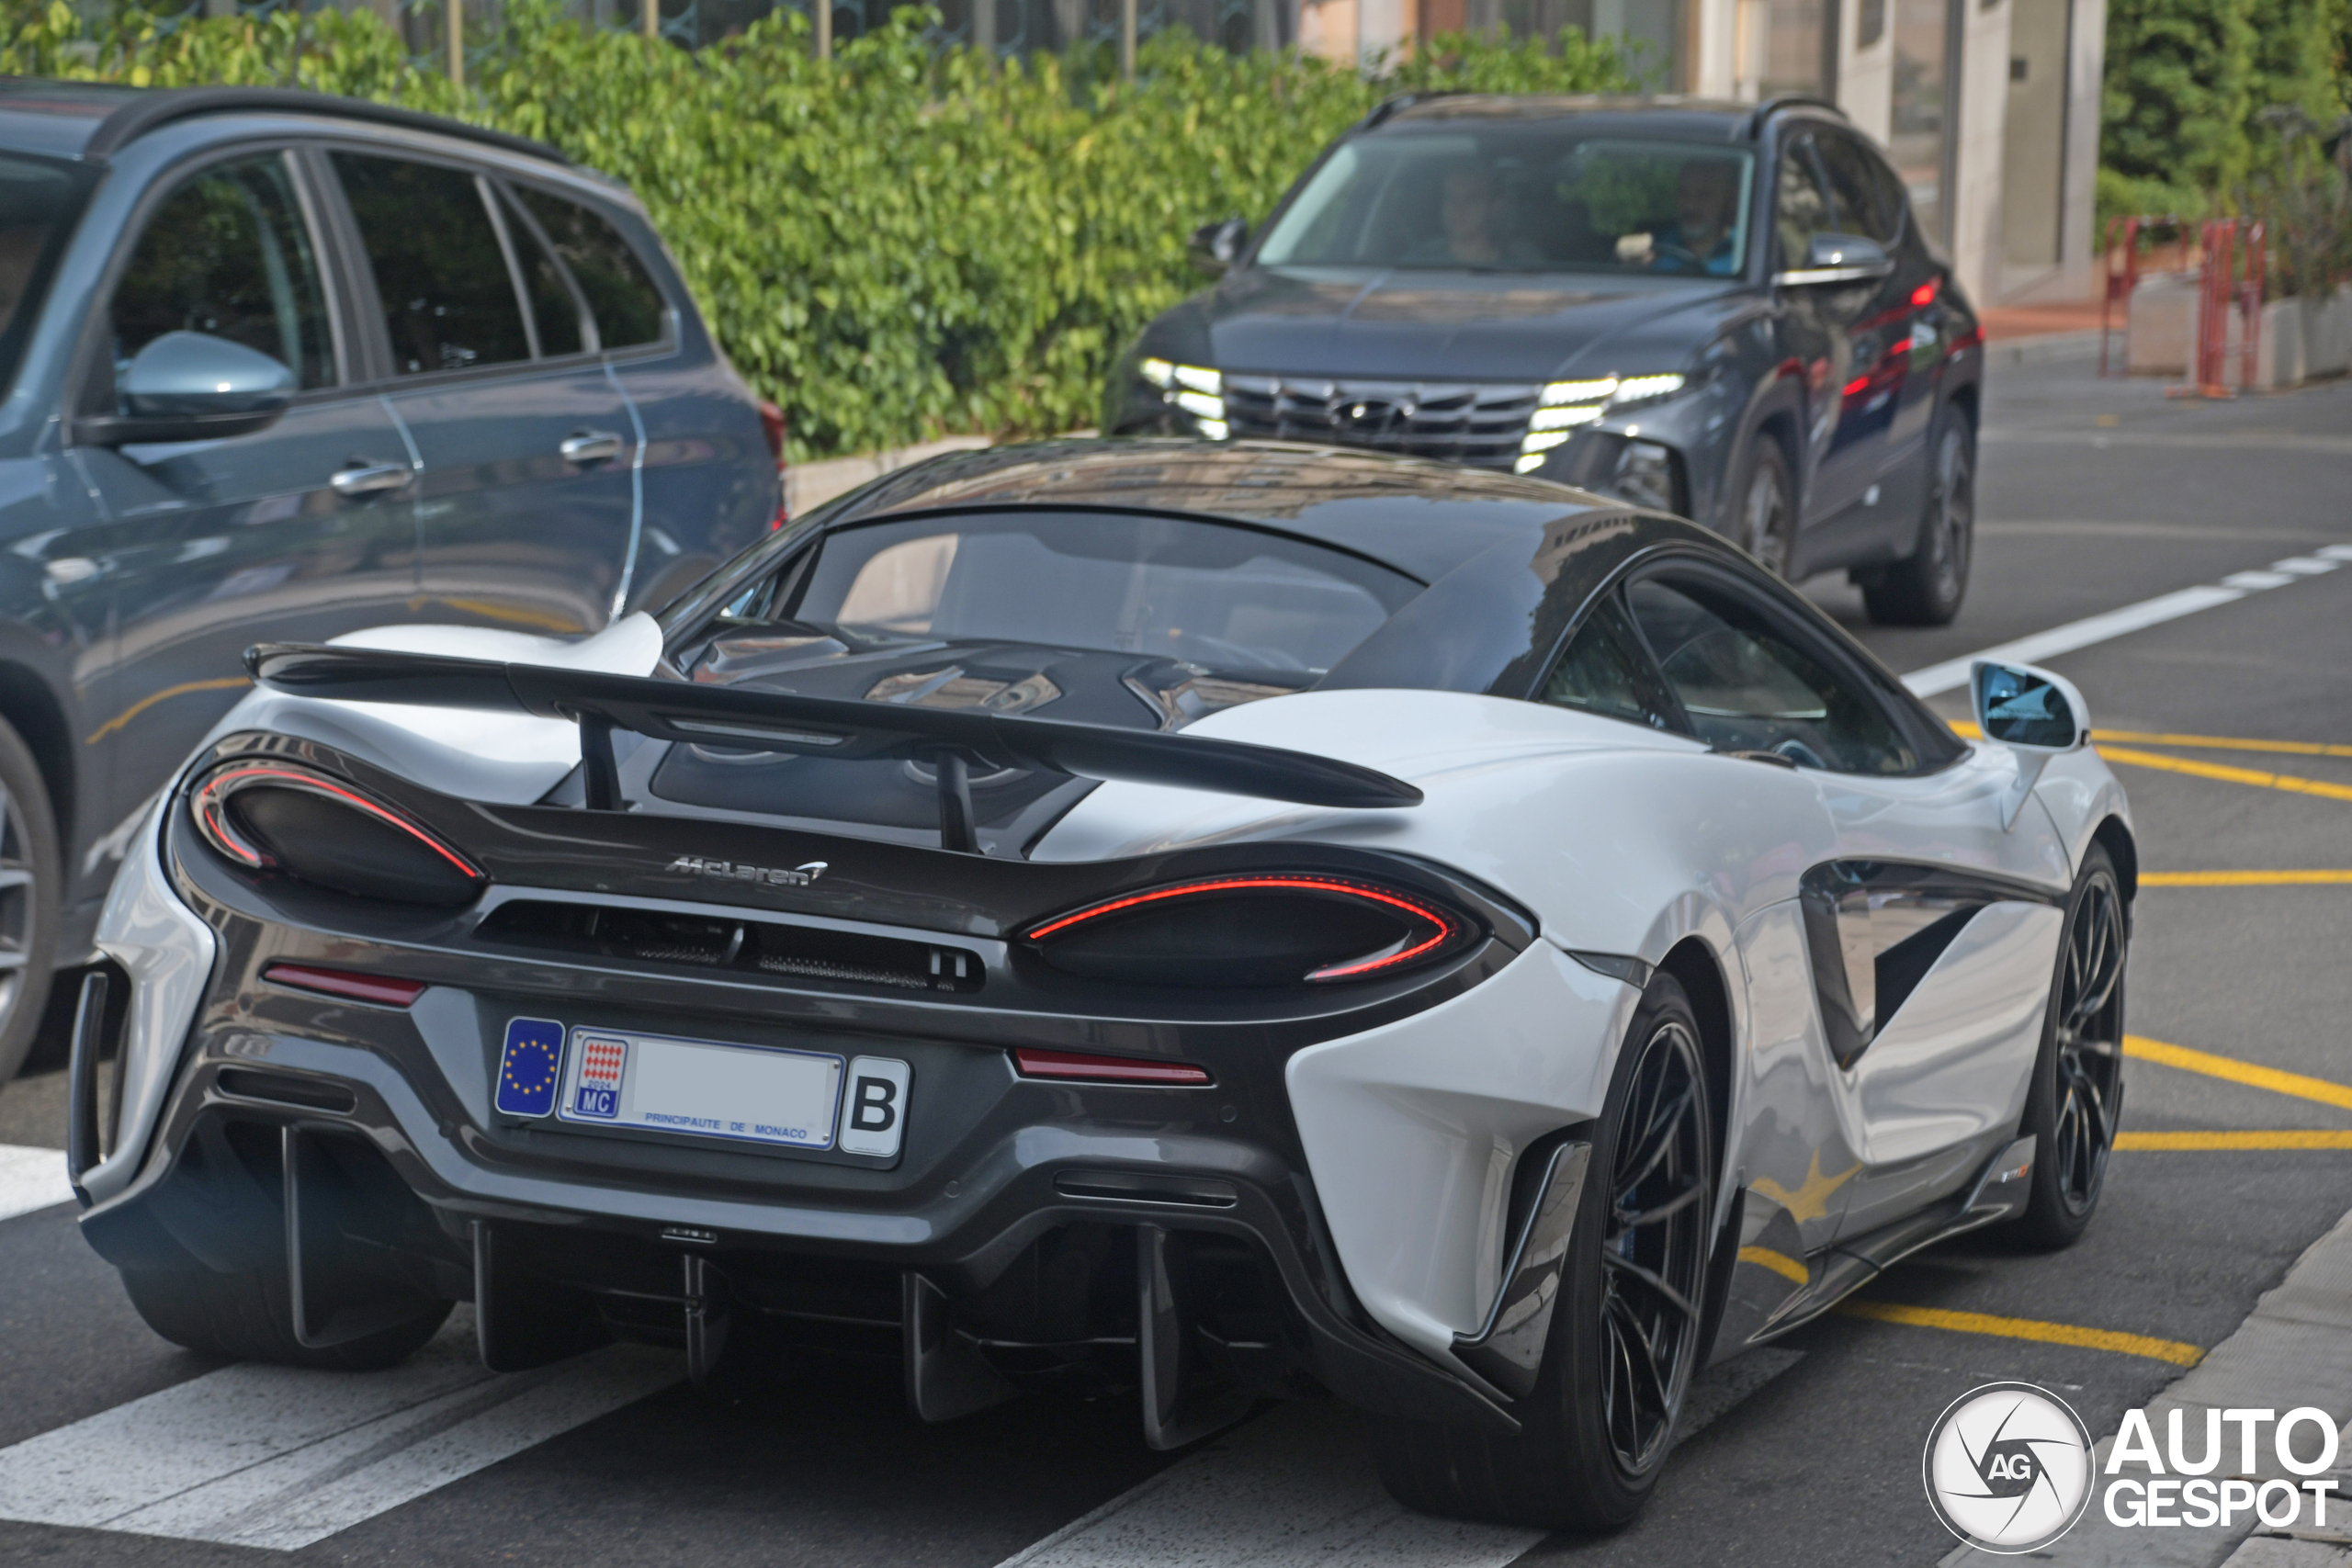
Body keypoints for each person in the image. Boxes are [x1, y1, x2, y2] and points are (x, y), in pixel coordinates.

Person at [1644, 159, 1743, 275]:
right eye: (1684, 193)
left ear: (1728, 199)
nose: (1690, 206)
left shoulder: (1746, 253)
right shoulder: (1653, 248)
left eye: (1703, 195)